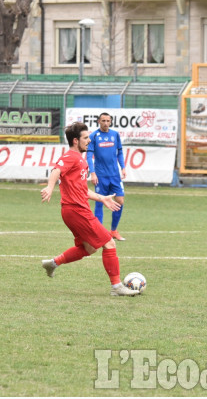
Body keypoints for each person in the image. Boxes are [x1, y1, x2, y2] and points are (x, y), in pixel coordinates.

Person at [40, 122, 140, 297]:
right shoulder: (71, 156)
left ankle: (53, 263)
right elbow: (56, 170)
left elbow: (82, 190)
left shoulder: (81, 160)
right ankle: (116, 287)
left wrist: (102, 198)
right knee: (109, 243)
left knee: (90, 248)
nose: (89, 141)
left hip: (73, 210)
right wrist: (50, 187)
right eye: (86, 138)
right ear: (75, 141)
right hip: (77, 210)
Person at [86, 112, 127, 241]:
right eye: (103, 120)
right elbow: (88, 156)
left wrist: (123, 167)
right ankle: (99, 234)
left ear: (110, 122)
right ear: (99, 121)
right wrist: (92, 173)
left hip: (115, 175)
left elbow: (119, 151)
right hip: (100, 176)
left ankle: (113, 231)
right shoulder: (93, 136)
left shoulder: (115, 135)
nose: (105, 123)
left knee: (120, 201)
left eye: (108, 121)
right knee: (99, 203)